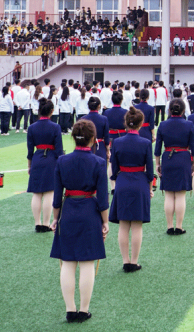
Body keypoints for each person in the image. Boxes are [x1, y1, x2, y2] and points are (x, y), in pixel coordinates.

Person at [50, 120, 109, 323]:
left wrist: (55, 218)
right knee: (86, 263)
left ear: (74, 137)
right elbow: (103, 198)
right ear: (93, 139)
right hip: (90, 212)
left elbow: (57, 197)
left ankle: (70, 309)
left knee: (68, 262)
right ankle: (83, 310)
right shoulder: (99, 162)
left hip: (68, 212)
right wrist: (106, 222)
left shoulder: (62, 161)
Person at [109, 107, 154, 272]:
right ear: (141, 124)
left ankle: (125, 261)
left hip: (122, 182)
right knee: (136, 225)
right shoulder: (145, 143)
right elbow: (150, 171)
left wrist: (117, 179)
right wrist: (150, 188)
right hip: (139, 183)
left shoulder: (117, 142)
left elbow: (113, 169)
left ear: (126, 123)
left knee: (123, 225)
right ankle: (134, 261)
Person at [154, 99, 194, 234]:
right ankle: (179, 226)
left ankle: (169, 226)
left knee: (168, 195)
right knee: (180, 195)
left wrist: (157, 164)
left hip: (167, 158)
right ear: (183, 111)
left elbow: (157, 148)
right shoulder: (189, 124)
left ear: (169, 110)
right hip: (183, 158)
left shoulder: (162, 124)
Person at [26, 99, 64, 232]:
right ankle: (46, 223)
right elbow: (59, 150)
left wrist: (29, 165)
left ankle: (37, 223)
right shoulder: (55, 127)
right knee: (49, 192)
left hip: (37, 158)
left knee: (37, 193)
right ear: (51, 111)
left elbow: (30, 150)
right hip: (51, 159)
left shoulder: (32, 127)